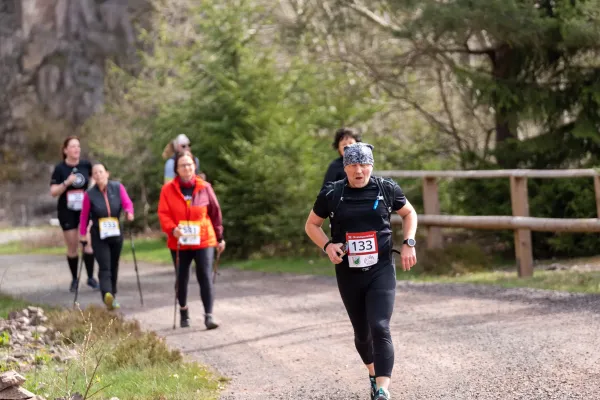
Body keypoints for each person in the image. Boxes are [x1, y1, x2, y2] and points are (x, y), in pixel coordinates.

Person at [305, 143, 418, 400]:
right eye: (354, 165)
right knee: (362, 333)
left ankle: (382, 390)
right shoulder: (332, 194)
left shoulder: (386, 188)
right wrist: (327, 245)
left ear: (371, 165)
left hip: (381, 269)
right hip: (349, 273)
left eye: (364, 164)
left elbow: (409, 213)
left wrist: (409, 242)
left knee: (380, 326)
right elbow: (311, 225)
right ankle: (372, 372)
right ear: (345, 167)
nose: (359, 170)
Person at [158, 150, 226, 329]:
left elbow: (215, 213)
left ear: (194, 166)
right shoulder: (168, 189)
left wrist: (219, 237)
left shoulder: (205, 187)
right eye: (182, 165)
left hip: (203, 239)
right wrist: (173, 229)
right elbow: (163, 213)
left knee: (205, 275)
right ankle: (183, 310)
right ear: (176, 169)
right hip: (179, 241)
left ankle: (209, 316)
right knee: (182, 278)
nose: (187, 168)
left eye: (189, 164)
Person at [79, 163, 134, 310]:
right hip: (99, 235)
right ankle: (107, 294)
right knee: (105, 266)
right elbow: (84, 216)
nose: (98, 175)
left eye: (100, 172)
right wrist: (83, 234)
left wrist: (129, 212)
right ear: (93, 177)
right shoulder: (89, 194)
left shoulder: (117, 187)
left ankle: (112, 295)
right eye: (95, 173)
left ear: (107, 174)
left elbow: (127, 202)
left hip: (116, 233)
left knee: (114, 265)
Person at [50, 136, 98, 292]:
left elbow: (94, 180)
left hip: (85, 210)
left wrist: (91, 189)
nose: (76, 149)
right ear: (65, 150)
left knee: (88, 243)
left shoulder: (85, 165)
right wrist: (67, 183)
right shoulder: (60, 169)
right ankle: (74, 279)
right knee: (72, 246)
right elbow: (53, 192)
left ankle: (91, 277)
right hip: (67, 211)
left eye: (78, 146)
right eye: (72, 146)